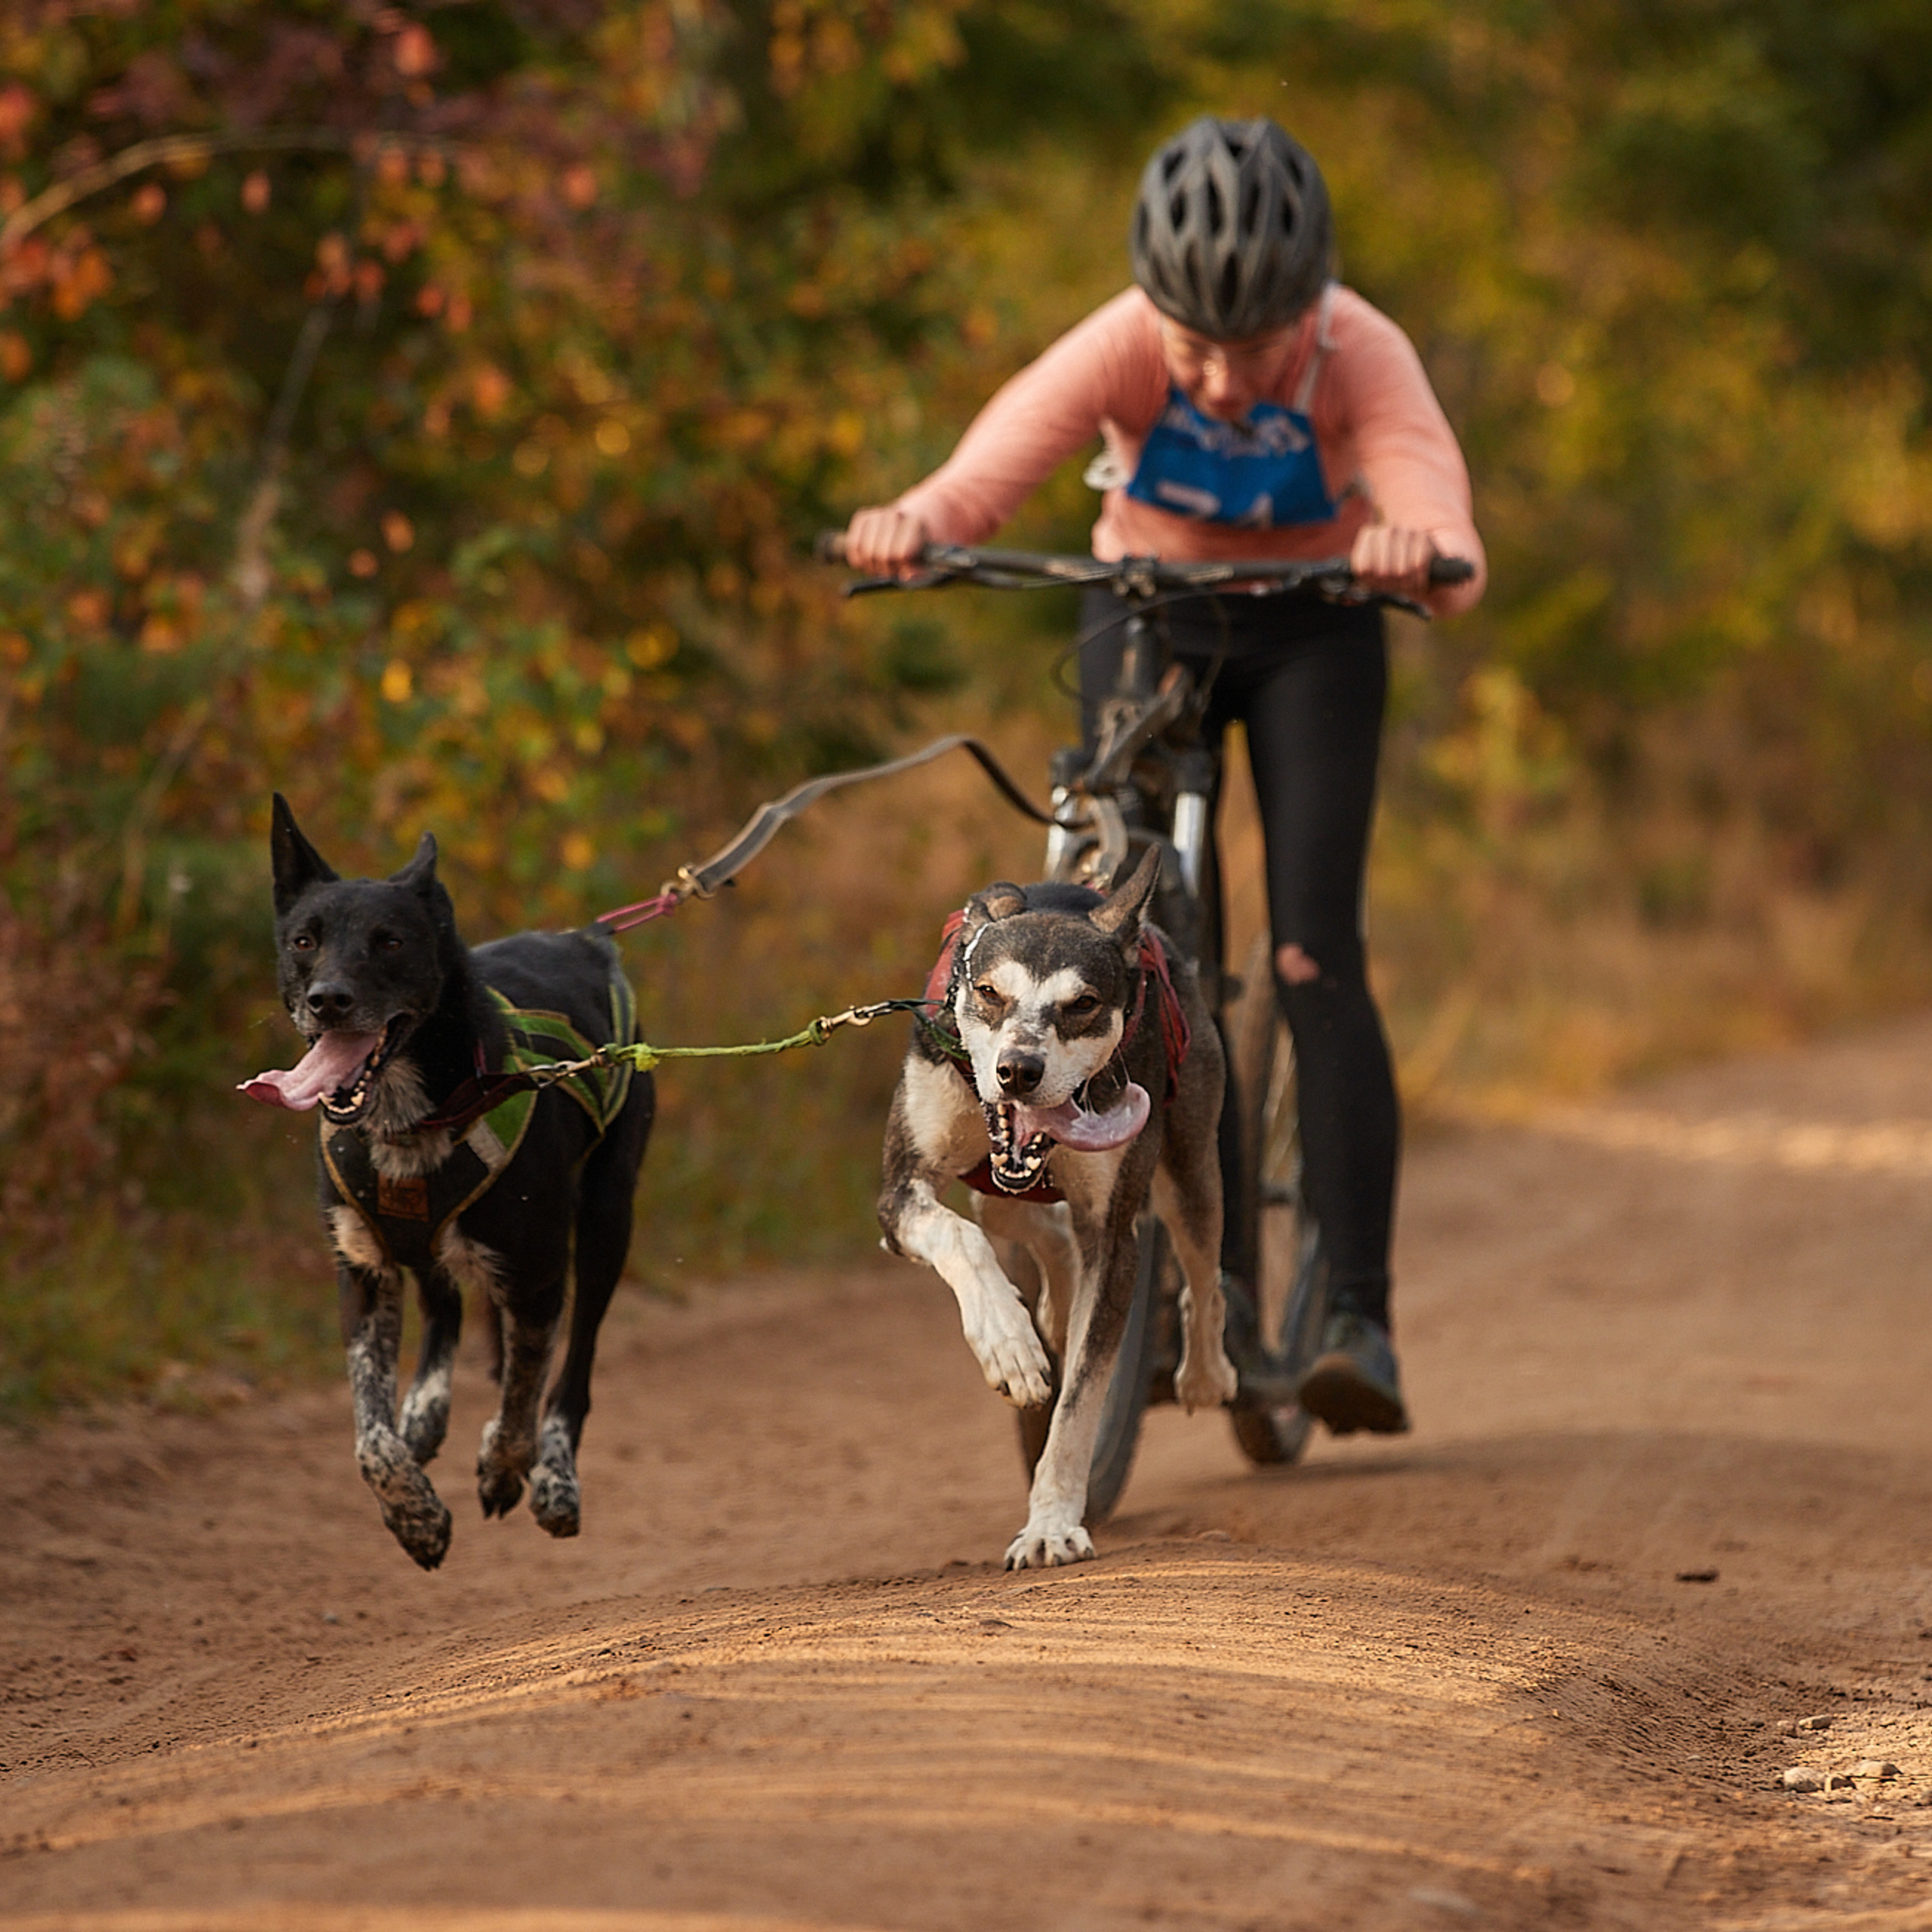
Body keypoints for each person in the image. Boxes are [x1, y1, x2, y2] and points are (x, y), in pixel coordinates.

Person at [842, 115, 1486, 1435]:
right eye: (1196, 343)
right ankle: (1188, 1267)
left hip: (1317, 625)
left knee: (1312, 956)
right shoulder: (1126, 339)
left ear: (1309, 308)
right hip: (1147, 610)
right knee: (1113, 919)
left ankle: (1355, 1308)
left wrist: (1417, 539)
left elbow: (1425, 483)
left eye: (1255, 347)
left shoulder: (1362, 348)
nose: (1223, 369)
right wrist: (925, 521)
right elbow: (996, 461)